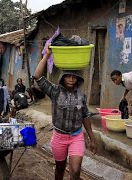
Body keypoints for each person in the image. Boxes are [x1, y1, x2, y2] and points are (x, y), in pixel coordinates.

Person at [34, 48, 97, 180]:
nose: (71, 79)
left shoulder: (81, 96)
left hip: (76, 137)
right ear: (62, 78)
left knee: (75, 171)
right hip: (59, 137)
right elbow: (37, 76)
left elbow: (85, 116)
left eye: (74, 77)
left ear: (78, 79)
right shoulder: (55, 91)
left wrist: (92, 139)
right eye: (68, 76)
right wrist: (47, 55)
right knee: (60, 169)